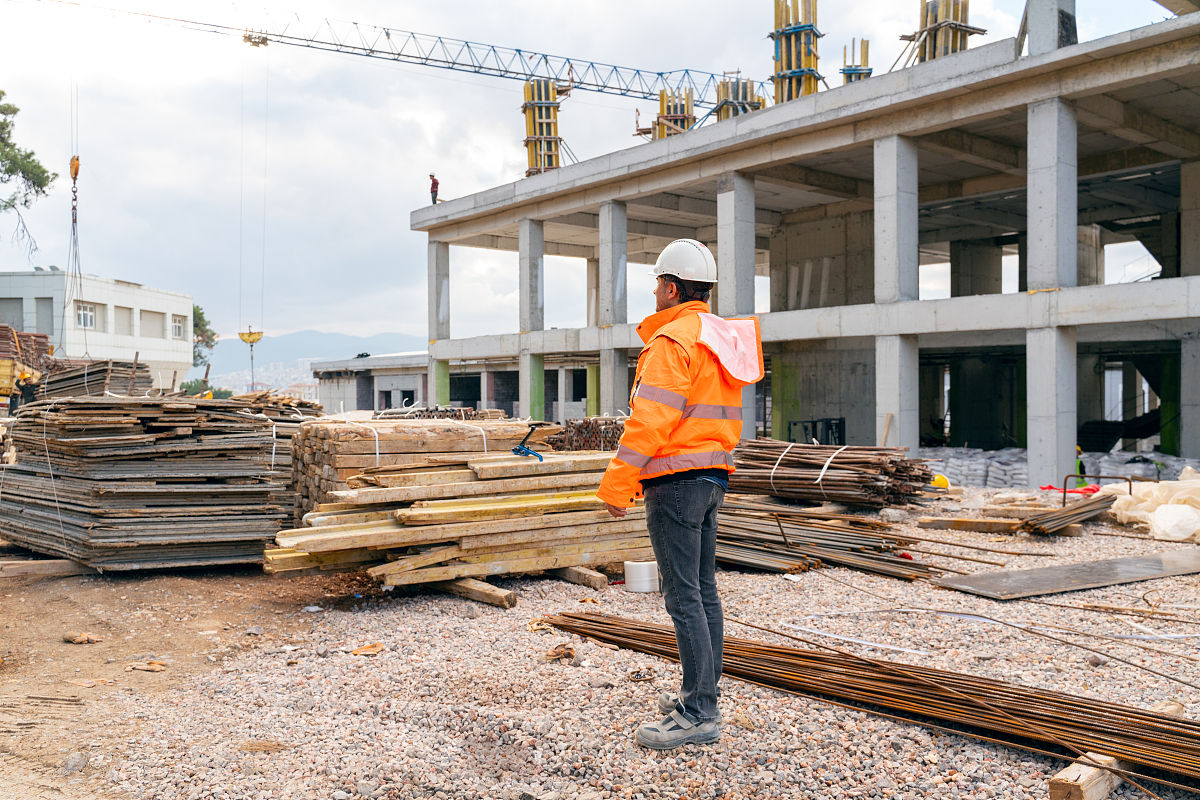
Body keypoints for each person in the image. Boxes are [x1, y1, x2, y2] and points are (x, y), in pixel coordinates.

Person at [597, 238, 763, 750]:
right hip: (713, 478)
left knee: (684, 596)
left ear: (671, 287)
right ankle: (703, 693)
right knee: (703, 590)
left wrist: (617, 484)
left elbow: (651, 420)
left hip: (674, 484)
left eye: (656, 285)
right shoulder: (719, 339)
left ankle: (698, 712)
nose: (654, 294)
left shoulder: (672, 341)